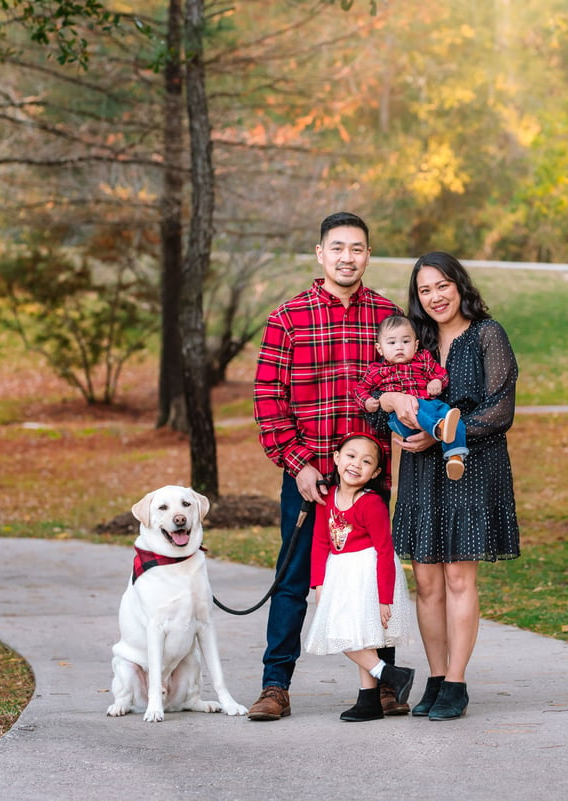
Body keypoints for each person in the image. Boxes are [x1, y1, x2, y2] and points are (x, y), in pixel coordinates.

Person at [250, 211, 405, 721]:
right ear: (321, 254)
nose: (347, 257)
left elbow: (407, 387)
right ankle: (276, 686)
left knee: (373, 575)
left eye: (357, 248)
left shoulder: (387, 318)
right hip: (310, 477)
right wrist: (297, 464)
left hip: (368, 483)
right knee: (295, 579)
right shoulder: (288, 318)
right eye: (337, 247)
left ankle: (382, 684)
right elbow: (268, 400)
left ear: (367, 255)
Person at [379, 251, 520, 721]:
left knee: (459, 576)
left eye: (442, 286)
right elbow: (383, 387)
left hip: (471, 464)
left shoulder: (487, 335)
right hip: (420, 469)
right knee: (426, 581)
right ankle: (436, 677)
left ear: (459, 285)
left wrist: (442, 434)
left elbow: (500, 410)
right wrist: (399, 411)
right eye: (425, 290)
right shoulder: (412, 341)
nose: (435, 297)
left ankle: (457, 682)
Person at [304, 432, 416, 722]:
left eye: (366, 462)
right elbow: (319, 541)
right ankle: (371, 697)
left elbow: (383, 551)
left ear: (375, 472)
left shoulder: (371, 504)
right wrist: (318, 582)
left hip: (366, 574)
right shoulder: (326, 498)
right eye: (351, 456)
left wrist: (384, 598)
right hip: (339, 573)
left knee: (346, 633)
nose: (356, 464)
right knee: (353, 635)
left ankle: (384, 676)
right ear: (337, 458)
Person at [353, 315, 469, 480]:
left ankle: (455, 457)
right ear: (380, 349)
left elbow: (441, 374)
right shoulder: (377, 370)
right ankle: (440, 429)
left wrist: (437, 381)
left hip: (431, 405)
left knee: (452, 415)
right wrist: (367, 401)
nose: (399, 347)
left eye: (405, 342)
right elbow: (359, 390)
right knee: (415, 404)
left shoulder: (424, 360)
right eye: (392, 343)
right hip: (403, 418)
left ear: (415, 345)